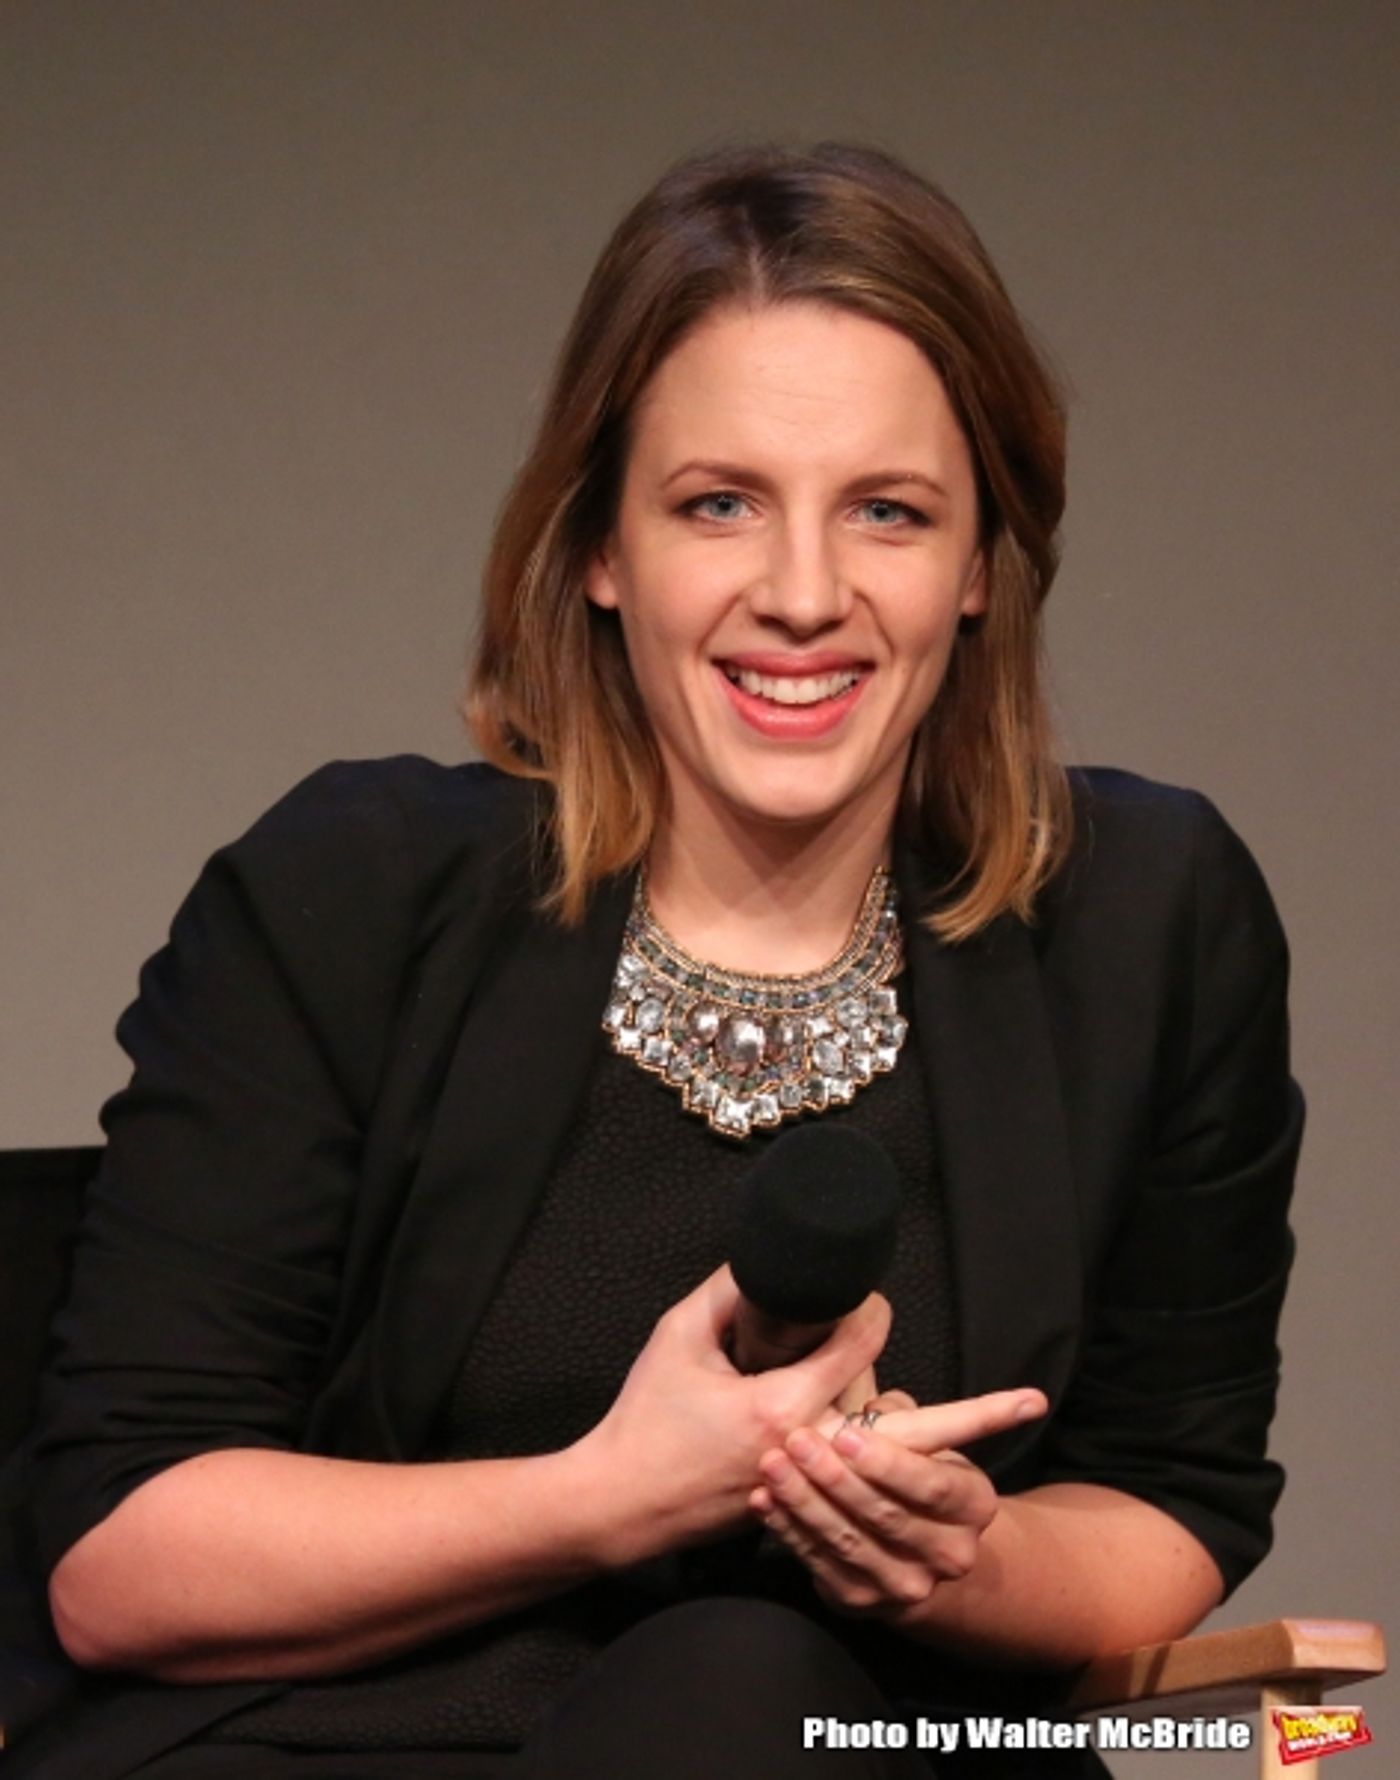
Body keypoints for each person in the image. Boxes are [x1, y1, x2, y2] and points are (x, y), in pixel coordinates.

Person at [14, 143, 1300, 1779]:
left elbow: (1169, 1496)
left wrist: (951, 1555)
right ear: (602, 549)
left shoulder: (1151, 921)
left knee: (749, 1681)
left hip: (849, 1748)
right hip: (337, 1747)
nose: (804, 597)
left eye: (889, 514)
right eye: (719, 506)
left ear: (980, 567)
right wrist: (616, 1494)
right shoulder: (346, 890)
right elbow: (123, 1558)